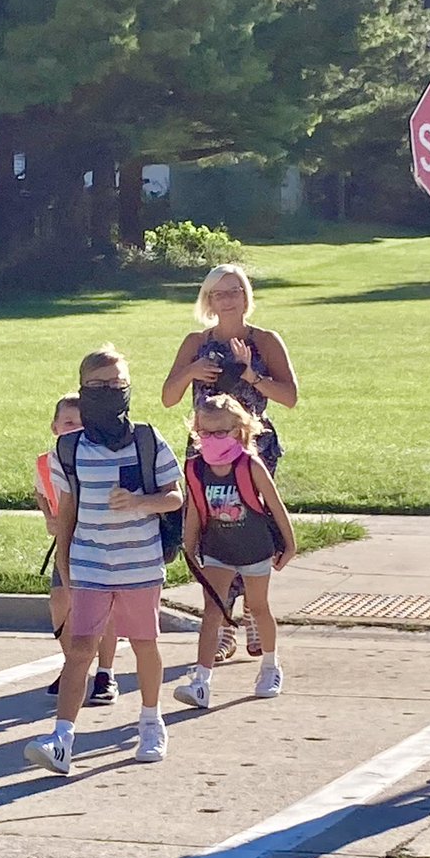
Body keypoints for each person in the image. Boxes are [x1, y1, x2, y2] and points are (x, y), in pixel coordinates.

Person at [24, 345, 183, 775]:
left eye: (118, 385)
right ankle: (62, 737)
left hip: (140, 563)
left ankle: (151, 721)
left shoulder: (149, 440)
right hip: (91, 563)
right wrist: (66, 570)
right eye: (99, 386)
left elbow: (175, 496)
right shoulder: (69, 450)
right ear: (82, 390)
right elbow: (66, 514)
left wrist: (140, 501)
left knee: (144, 643)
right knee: (79, 650)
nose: (110, 393)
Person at [161, 263, 298, 662]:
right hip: (205, 455)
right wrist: (191, 370)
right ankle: (222, 623)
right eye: (219, 293)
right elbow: (169, 397)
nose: (227, 299)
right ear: (208, 300)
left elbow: (290, 397)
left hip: (251, 452)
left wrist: (253, 375)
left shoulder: (265, 340)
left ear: (246, 296)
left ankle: (254, 612)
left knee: (252, 527)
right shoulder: (195, 342)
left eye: (234, 291)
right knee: (214, 532)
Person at [176, 394, 297, 708]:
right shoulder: (195, 468)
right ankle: (201, 680)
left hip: (254, 548)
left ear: (240, 431)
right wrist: (189, 548)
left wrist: (290, 543)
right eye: (205, 433)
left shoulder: (249, 465)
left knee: (258, 607)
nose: (212, 440)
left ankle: (270, 666)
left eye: (221, 433)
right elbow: (193, 512)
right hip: (218, 548)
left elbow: (275, 505)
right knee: (213, 613)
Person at [36, 393, 120, 704]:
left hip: (99, 541)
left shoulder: (97, 458)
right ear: (55, 427)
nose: (75, 429)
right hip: (67, 542)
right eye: (68, 423)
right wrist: (49, 518)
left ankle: (106, 672)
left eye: (82, 423)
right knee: (60, 600)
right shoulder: (47, 462)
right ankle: (75, 663)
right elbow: (41, 493)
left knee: (103, 607)